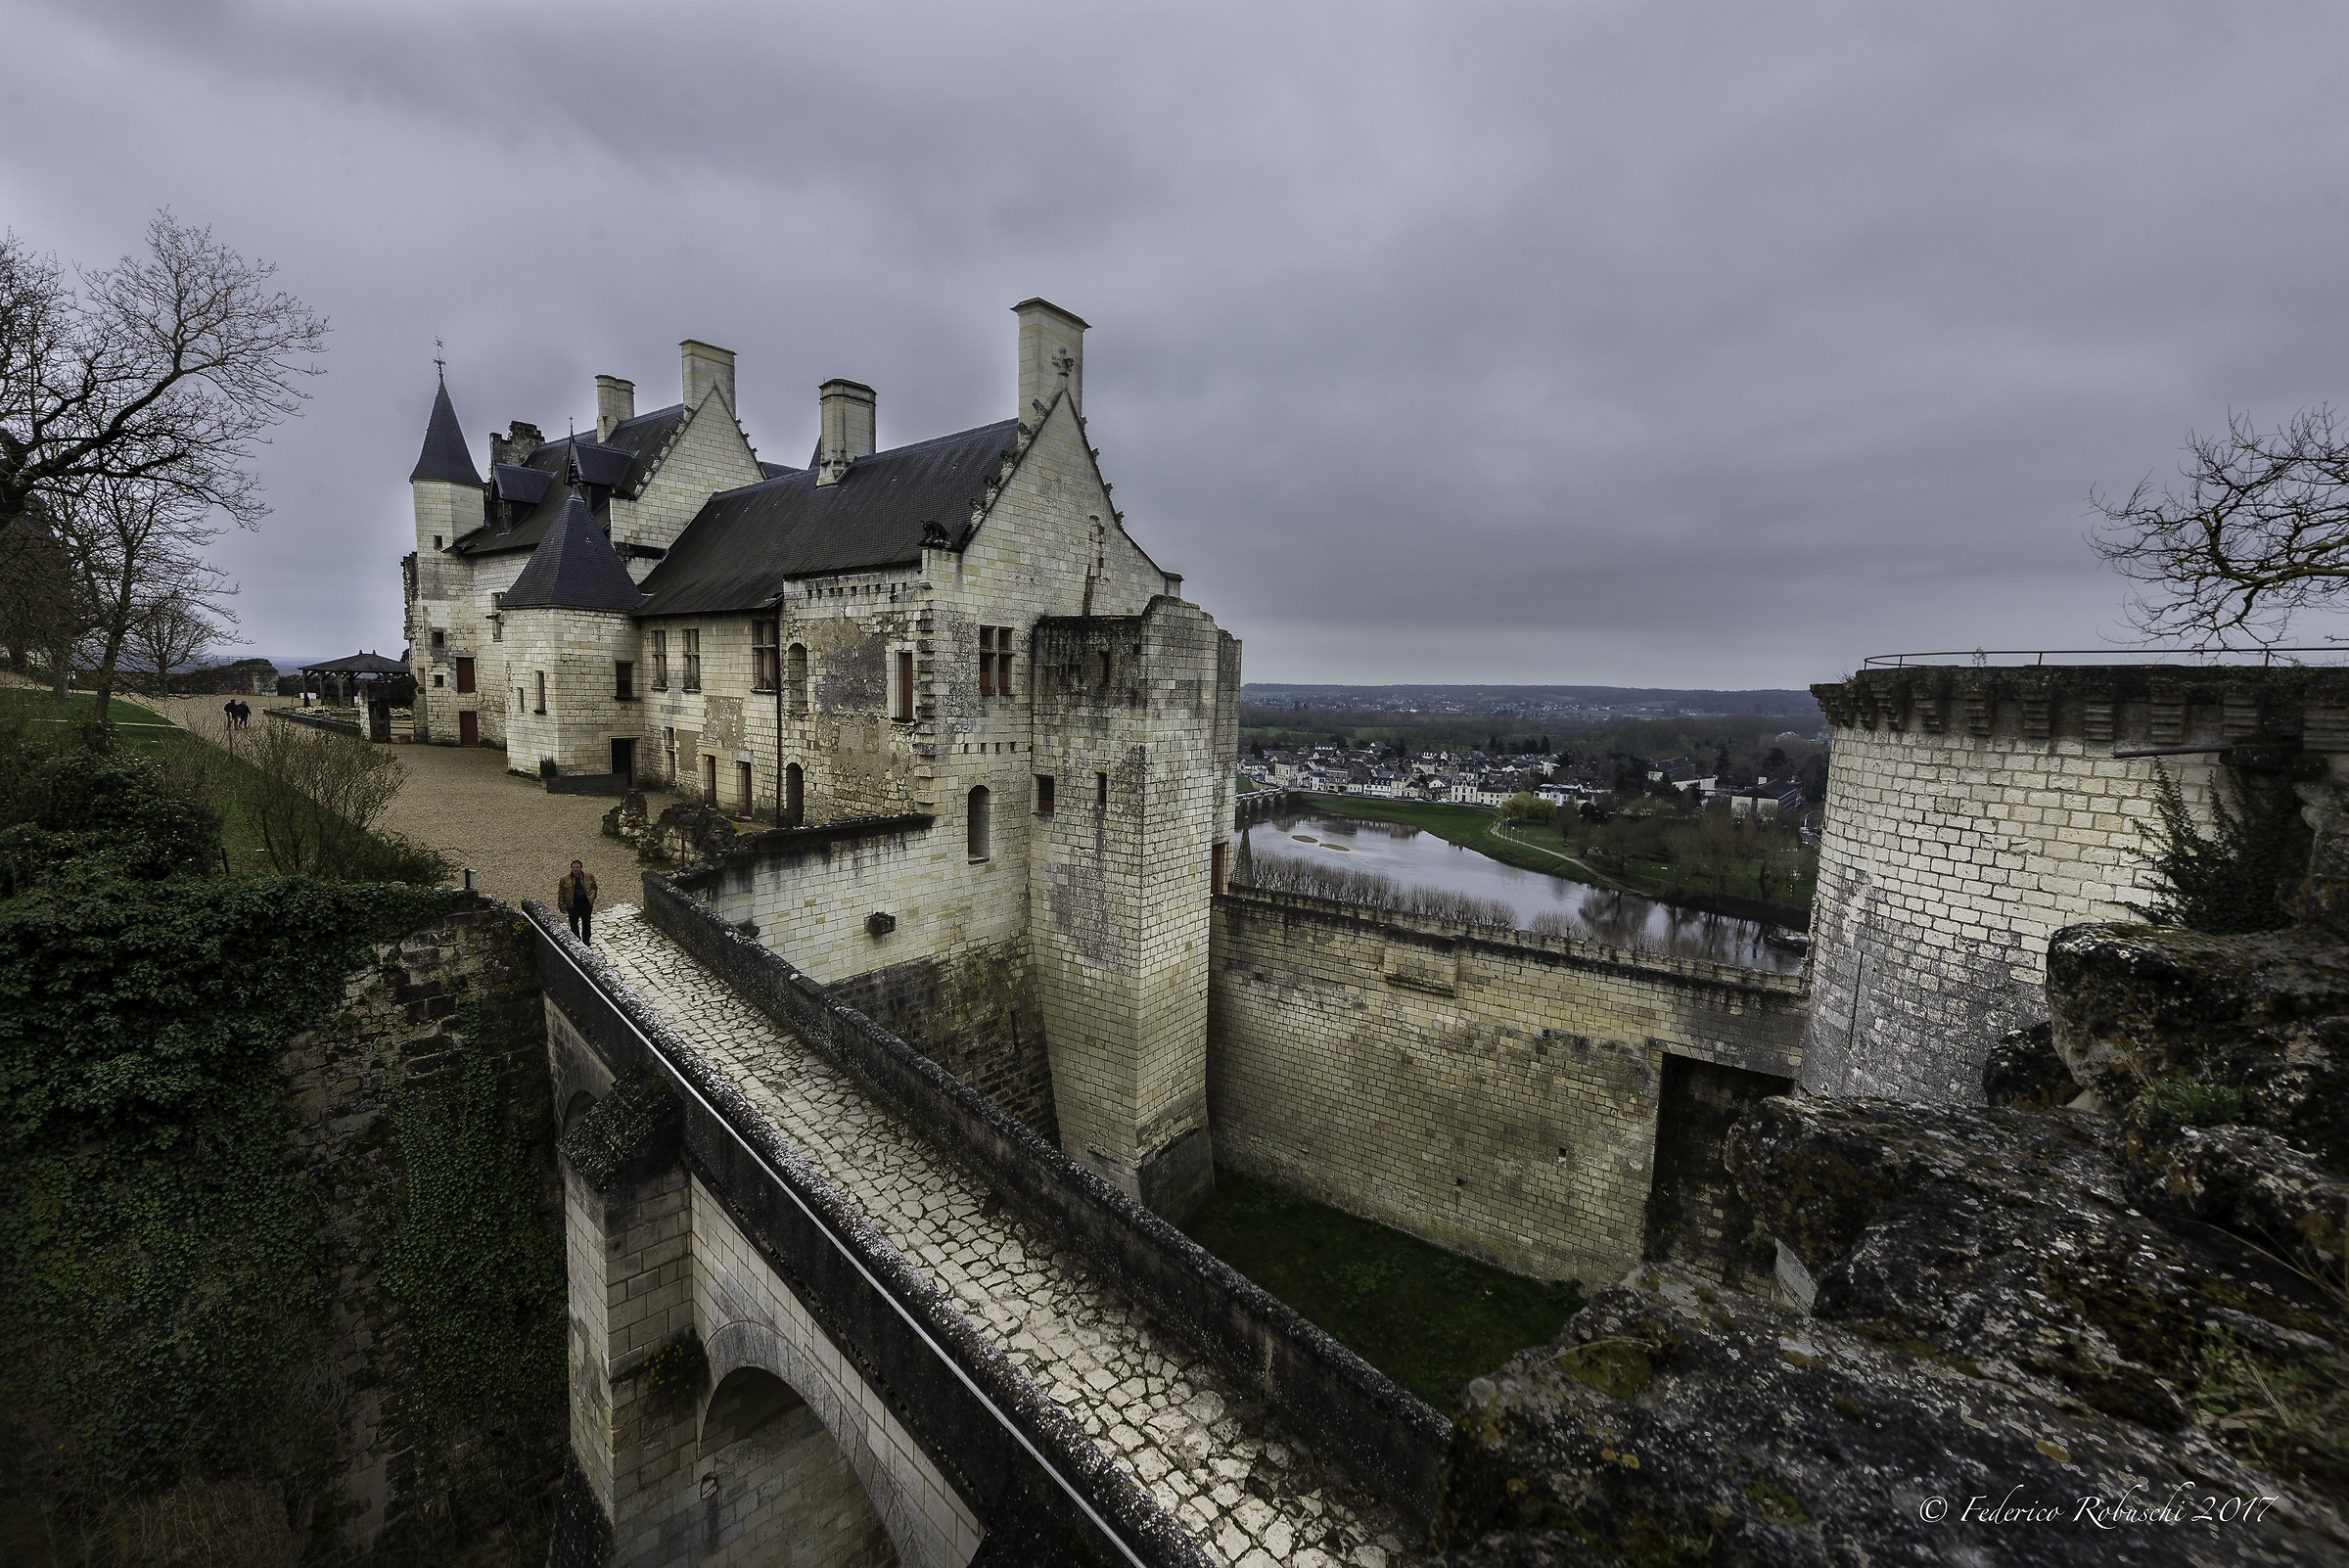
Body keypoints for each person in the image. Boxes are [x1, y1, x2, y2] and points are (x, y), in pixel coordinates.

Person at [558, 859, 598, 943]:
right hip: (572, 904)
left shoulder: (588, 875)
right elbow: (561, 892)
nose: (575, 869)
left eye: (577, 867)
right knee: (573, 924)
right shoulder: (564, 879)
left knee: (586, 923)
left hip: (586, 903)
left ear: (581, 868)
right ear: (571, 868)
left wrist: (592, 897)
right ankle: (576, 941)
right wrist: (561, 905)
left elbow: (594, 887)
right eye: (573, 867)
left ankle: (586, 940)